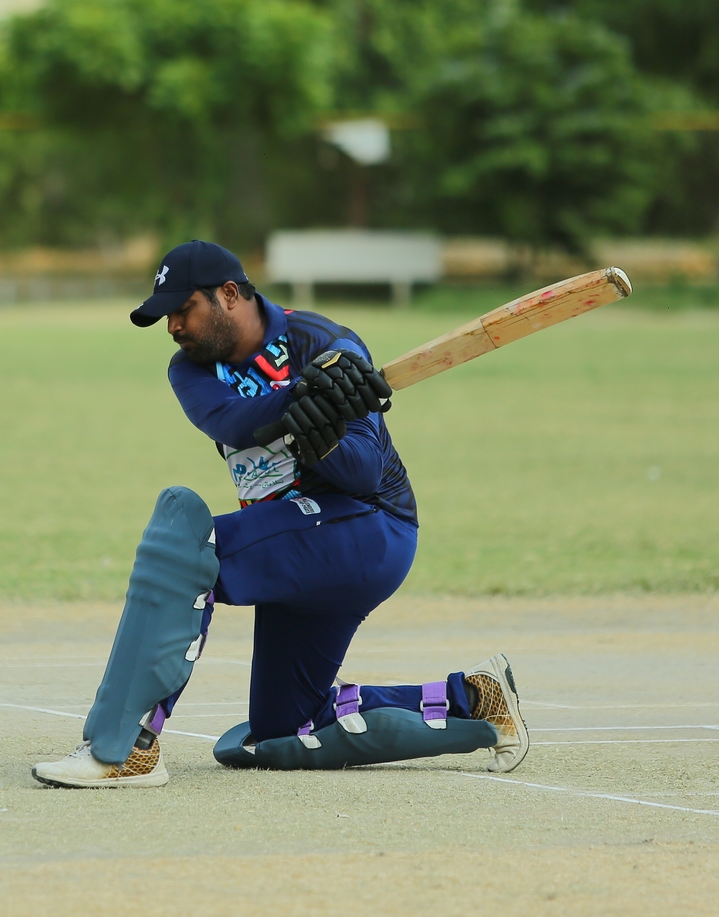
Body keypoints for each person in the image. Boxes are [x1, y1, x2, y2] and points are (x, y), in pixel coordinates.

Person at [31, 240, 527, 788]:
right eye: (166, 316)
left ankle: (125, 748)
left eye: (183, 309)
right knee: (284, 728)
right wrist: (299, 401)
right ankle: (477, 701)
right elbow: (231, 422)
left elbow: (364, 474)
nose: (173, 326)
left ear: (228, 294)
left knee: (185, 549)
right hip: (296, 537)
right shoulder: (190, 371)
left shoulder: (327, 345)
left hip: (368, 528)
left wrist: (323, 434)